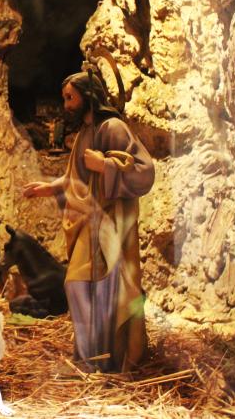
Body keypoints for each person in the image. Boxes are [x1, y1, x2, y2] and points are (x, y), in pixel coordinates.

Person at [22, 68, 155, 372]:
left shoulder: (113, 128)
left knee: (107, 289)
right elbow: (77, 179)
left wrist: (106, 165)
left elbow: (144, 173)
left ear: (88, 96)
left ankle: (113, 356)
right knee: (80, 286)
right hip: (89, 220)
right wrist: (50, 187)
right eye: (64, 98)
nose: (66, 105)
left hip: (111, 224)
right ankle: (90, 355)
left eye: (70, 97)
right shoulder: (86, 132)